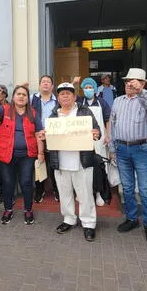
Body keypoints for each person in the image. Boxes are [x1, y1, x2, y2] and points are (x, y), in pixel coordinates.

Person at [40, 82, 101, 241]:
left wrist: (96, 133)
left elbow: (97, 131)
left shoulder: (84, 111)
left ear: (74, 96)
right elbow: (49, 138)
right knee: (64, 193)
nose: (65, 96)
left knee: (85, 194)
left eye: (68, 93)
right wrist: (44, 136)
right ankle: (69, 219)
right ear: (57, 97)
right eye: (61, 94)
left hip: (82, 161)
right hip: (60, 162)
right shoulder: (53, 116)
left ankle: (88, 223)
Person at [108, 68, 147, 245]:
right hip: (122, 149)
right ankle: (131, 219)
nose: (130, 84)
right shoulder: (117, 101)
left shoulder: (146, 100)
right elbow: (113, 125)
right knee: (127, 188)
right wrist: (112, 148)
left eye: (135, 81)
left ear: (143, 83)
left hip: (142, 149)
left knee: (145, 189)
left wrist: (140, 90)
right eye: (128, 80)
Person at [0, 85, 44, 225]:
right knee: (8, 183)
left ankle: (28, 210)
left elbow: (39, 134)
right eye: (18, 94)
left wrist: (41, 153)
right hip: (7, 154)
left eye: (24, 94)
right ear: (13, 97)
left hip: (27, 155)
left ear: (27, 98)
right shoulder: (5, 110)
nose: (21, 96)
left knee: (26, 183)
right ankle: (8, 210)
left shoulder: (33, 113)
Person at [78, 77, 112, 206]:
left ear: (95, 89)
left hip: (99, 139)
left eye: (90, 87)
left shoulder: (101, 103)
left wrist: (108, 135)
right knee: (83, 166)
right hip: (83, 140)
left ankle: (99, 193)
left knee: (99, 167)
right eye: (85, 87)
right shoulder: (80, 102)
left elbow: (108, 120)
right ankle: (84, 193)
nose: (88, 90)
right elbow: (64, 95)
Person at [31, 75, 60, 203]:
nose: (46, 84)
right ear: (39, 85)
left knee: (55, 164)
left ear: (52, 86)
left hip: (54, 136)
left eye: (48, 82)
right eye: (43, 82)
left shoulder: (57, 100)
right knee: (39, 163)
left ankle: (57, 190)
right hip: (36, 135)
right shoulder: (32, 98)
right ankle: (39, 190)